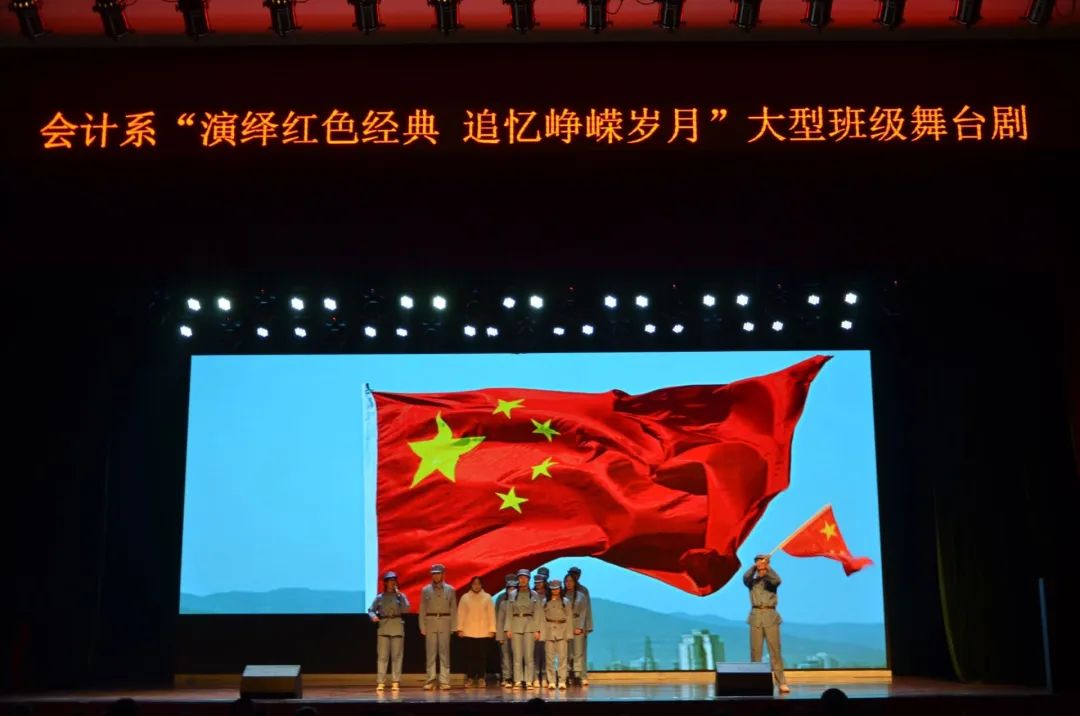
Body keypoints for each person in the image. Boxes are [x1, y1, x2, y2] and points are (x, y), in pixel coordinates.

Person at [742, 554, 789, 694]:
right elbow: (745, 577)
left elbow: (777, 580)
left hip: (770, 616)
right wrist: (754, 566)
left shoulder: (771, 581)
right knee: (755, 652)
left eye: (763, 564)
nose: (761, 567)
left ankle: (781, 682)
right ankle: (756, 682)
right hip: (756, 616)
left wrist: (767, 567)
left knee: (775, 651)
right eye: (759, 565)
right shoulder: (752, 582)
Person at [368, 571, 410, 692]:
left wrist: (400, 596)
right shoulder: (380, 597)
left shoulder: (400, 596)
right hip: (384, 627)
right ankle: (381, 681)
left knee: (397, 656)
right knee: (382, 657)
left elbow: (406, 609)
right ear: (386, 583)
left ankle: (395, 681)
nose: (393, 583)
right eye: (390, 581)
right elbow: (371, 610)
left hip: (397, 626)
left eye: (394, 580)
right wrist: (373, 616)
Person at [419, 563, 458, 690]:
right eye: (433, 574)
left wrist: (454, 626)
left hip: (445, 621)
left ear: (443, 574)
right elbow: (422, 608)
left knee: (444, 652)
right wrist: (422, 626)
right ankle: (430, 680)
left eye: (438, 573)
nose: (435, 576)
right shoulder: (426, 590)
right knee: (430, 653)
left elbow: (453, 609)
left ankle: (444, 681)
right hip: (430, 622)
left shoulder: (450, 590)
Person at [503, 568, 541, 690]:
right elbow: (509, 612)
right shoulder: (512, 594)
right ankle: (518, 680)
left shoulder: (534, 594)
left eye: (525, 577)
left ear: (529, 579)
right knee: (517, 656)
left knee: (529, 655)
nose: (522, 579)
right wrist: (508, 628)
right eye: (520, 577)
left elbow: (538, 612)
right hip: (515, 625)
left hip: (529, 625)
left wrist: (537, 630)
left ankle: (529, 680)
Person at [457, 576, 497, 687]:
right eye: (474, 584)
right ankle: (470, 678)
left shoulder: (487, 597)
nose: (476, 586)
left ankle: (481, 678)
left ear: (481, 585)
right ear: (471, 585)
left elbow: (491, 614)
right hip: (469, 631)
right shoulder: (465, 597)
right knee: (470, 656)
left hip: (483, 632)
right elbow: (461, 613)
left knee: (482, 656)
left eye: (478, 584)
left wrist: (492, 629)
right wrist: (460, 628)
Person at [540, 579, 580, 690]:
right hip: (549, 630)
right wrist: (542, 633)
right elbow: (541, 618)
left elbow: (569, 618)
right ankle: (551, 681)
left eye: (557, 589)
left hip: (562, 631)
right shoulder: (544, 601)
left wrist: (569, 634)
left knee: (562, 658)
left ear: (560, 589)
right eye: (553, 589)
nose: (555, 591)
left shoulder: (565, 601)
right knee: (549, 658)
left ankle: (562, 680)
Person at [566, 566, 592, 685]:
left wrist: (587, 626)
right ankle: (569, 675)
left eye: (576, 574)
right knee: (568, 652)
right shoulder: (564, 591)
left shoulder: (583, 591)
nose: (574, 576)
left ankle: (582, 675)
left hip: (580, 625)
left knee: (581, 652)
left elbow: (586, 610)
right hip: (567, 626)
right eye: (571, 573)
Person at [494, 574, 516, 687]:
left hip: (517, 632)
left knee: (517, 655)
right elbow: (498, 618)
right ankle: (507, 677)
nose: (511, 590)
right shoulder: (501, 599)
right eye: (509, 588)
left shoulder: (519, 599)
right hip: (503, 632)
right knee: (505, 655)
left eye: (513, 588)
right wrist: (499, 635)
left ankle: (516, 677)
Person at [532, 567, 550, 688]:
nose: (538, 584)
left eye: (541, 581)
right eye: (536, 582)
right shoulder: (531, 594)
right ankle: (535, 677)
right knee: (534, 653)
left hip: (547, 627)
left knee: (546, 653)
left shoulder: (549, 594)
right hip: (533, 627)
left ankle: (544, 677)